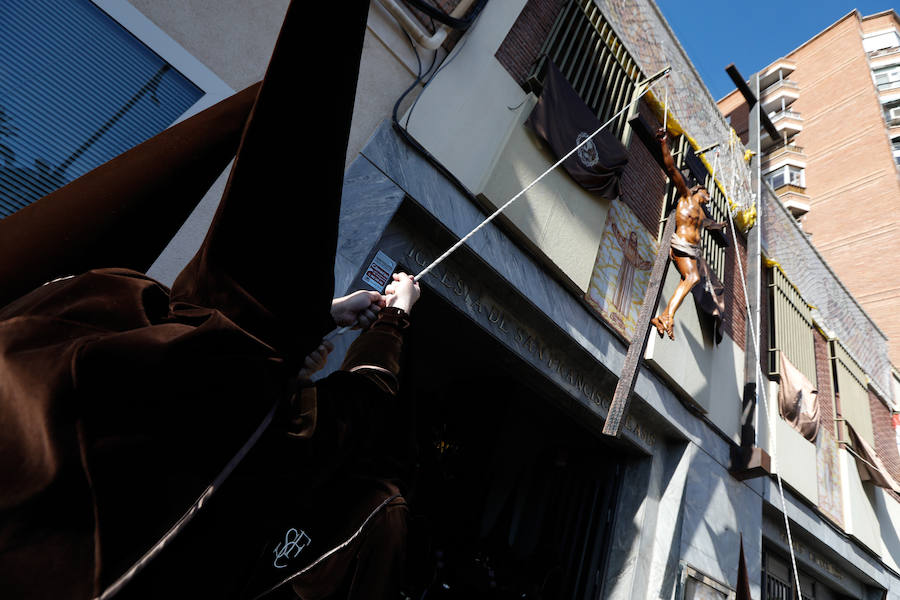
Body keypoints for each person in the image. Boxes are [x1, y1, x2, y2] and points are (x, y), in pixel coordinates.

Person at [650, 127, 726, 341]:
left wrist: (720, 225)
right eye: (706, 192)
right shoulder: (686, 196)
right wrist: (664, 143)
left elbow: (711, 225)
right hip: (681, 243)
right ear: (697, 190)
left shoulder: (702, 214)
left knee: (692, 279)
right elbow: (671, 168)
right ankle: (667, 316)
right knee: (692, 278)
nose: (709, 196)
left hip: (692, 249)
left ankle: (665, 316)